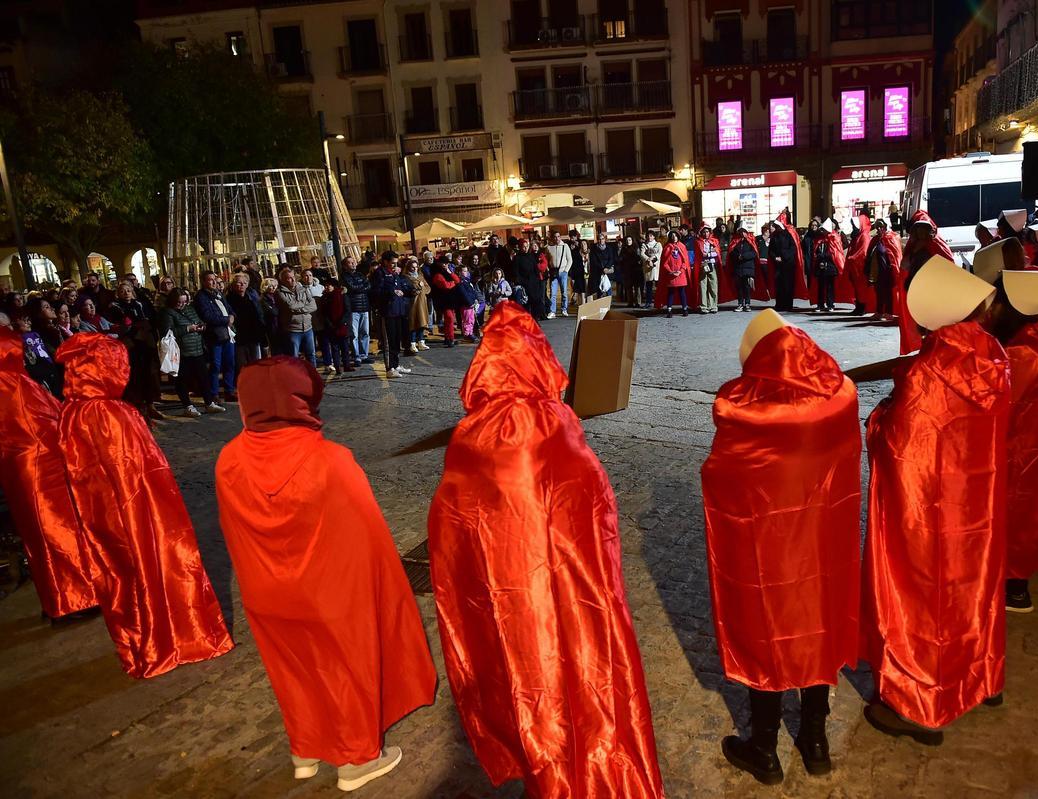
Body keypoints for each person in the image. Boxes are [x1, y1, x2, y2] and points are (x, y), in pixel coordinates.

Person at [428, 303, 664, 798]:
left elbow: (452, 529)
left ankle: (545, 773)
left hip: (514, 601)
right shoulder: (561, 422)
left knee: (528, 682)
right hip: (577, 594)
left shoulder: (471, 439)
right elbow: (599, 512)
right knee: (583, 676)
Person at [214, 357, 435, 790]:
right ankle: (356, 759)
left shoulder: (228, 460)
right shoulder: (331, 460)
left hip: (265, 592)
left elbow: (233, 533)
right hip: (330, 592)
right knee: (344, 665)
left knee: (293, 668)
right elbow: (367, 537)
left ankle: (307, 747)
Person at [704, 310, 860, 783]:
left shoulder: (744, 410)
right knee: (820, 624)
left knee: (762, 629)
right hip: (823, 546)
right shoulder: (839, 399)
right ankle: (815, 740)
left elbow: (720, 472)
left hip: (766, 548)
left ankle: (765, 747)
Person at [861, 257, 1009, 744]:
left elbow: (901, 445)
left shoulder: (927, 373)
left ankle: (917, 703)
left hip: (925, 511)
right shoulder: (993, 357)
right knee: (975, 589)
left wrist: (880, 417)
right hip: (978, 506)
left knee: (924, 599)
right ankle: (981, 676)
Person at [56, 332, 234, 678]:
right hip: (137, 514)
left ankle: (142, 644)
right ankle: (175, 639)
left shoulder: (72, 411)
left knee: (120, 576)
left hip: (103, 519)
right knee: (155, 566)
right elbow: (138, 476)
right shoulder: (111, 414)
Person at [974, 240, 1038, 611]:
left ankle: (1013, 585)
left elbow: (986, 395)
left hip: (1019, 452)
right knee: (1027, 515)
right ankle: (1015, 581)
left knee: (1013, 516)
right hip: (1036, 449)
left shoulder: (1026, 354)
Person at [0, 327, 97, 621]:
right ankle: (73, 599)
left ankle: (57, 597)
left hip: (21, 467)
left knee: (38, 534)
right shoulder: (14, 385)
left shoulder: (13, 384)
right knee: (55, 529)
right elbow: (46, 421)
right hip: (38, 466)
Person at [896, 211, 956, 354]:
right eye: (919, 229)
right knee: (922, 324)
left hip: (934, 291)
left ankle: (935, 349)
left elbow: (948, 263)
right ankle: (927, 348)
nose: (921, 231)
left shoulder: (936, 244)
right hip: (918, 291)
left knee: (934, 324)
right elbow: (904, 265)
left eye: (924, 228)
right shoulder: (913, 246)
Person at [160, 288, 225, 416]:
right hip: (181, 351)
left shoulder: (190, 309)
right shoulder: (167, 313)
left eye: (185, 302)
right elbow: (168, 332)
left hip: (197, 348)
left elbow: (199, 320)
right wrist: (188, 329)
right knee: (182, 380)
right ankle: (187, 405)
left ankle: (209, 403)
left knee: (203, 378)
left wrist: (201, 326)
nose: (182, 305)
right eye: (179, 302)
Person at [107, 280, 163, 417]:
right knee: (135, 376)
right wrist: (136, 326)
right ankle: (139, 406)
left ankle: (150, 404)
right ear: (118, 294)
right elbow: (123, 324)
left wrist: (141, 325)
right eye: (122, 291)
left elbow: (148, 320)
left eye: (128, 291)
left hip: (145, 344)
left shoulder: (139, 304)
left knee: (149, 374)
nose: (126, 293)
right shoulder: (115, 307)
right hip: (131, 346)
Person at [194, 271, 238, 404]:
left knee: (230, 363)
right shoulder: (201, 297)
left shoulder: (219, 294)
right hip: (215, 336)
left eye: (215, 280)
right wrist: (226, 320)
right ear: (203, 281)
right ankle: (213, 393)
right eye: (210, 280)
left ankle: (229, 390)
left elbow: (229, 308)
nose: (213, 282)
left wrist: (232, 316)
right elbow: (207, 316)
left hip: (227, 333)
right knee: (215, 365)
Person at [376, 257, 415, 375]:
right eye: (392, 263)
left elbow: (401, 288)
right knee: (389, 341)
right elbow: (377, 291)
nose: (395, 265)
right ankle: (389, 368)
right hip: (388, 312)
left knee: (396, 340)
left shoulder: (394, 274)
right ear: (385, 262)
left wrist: (408, 290)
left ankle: (396, 364)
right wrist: (392, 292)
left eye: (396, 263)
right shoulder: (380, 274)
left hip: (398, 310)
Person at [276, 266, 318, 365]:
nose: (293, 279)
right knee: (294, 357)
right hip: (293, 330)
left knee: (311, 355)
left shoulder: (303, 289)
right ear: (283, 280)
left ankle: (313, 378)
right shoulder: (280, 293)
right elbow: (290, 306)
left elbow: (313, 306)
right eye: (289, 278)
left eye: (293, 276)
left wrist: (299, 307)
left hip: (308, 327)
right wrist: (304, 305)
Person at [226, 273, 265, 370]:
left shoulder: (252, 298)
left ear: (248, 284)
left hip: (253, 336)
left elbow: (258, 316)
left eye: (244, 282)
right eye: (239, 283)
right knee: (242, 365)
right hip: (239, 337)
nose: (242, 285)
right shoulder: (228, 299)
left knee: (256, 363)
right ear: (233, 284)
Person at [866, 218, 902, 321]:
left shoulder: (891, 238)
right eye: (877, 226)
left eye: (881, 226)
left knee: (888, 292)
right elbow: (869, 253)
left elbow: (895, 254)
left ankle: (889, 312)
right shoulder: (875, 239)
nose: (879, 228)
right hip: (877, 271)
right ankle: (879, 311)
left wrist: (893, 268)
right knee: (878, 291)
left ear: (885, 226)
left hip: (888, 270)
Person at [342, 255, 373, 366]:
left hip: (364, 307)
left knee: (365, 332)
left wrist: (360, 288)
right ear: (345, 266)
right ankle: (356, 356)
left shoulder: (360, 275)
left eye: (354, 262)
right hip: (353, 308)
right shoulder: (344, 277)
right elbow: (352, 287)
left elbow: (368, 286)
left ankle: (364, 355)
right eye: (350, 262)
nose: (353, 264)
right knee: (354, 334)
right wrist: (361, 288)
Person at [318, 277, 353, 375]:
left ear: (334, 286)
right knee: (335, 348)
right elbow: (324, 313)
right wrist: (330, 324)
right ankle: (338, 367)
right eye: (325, 286)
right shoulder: (325, 297)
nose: (327, 287)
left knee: (345, 347)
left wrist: (342, 322)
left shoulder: (342, 295)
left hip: (342, 326)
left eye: (329, 285)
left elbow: (347, 310)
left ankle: (346, 365)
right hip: (331, 327)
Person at [767, 218, 802, 313]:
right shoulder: (774, 237)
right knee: (779, 285)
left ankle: (788, 305)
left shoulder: (789, 235)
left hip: (789, 265)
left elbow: (793, 249)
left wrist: (784, 257)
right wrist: (775, 258)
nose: (776, 228)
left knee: (788, 285)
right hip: (778, 265)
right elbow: (771, 250)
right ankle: (779, 304)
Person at [844, 213, 875, 316]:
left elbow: (863, 252)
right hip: (855, 267)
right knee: (857, 289)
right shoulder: (857, 236)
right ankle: (858, 307)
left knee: (861, 288)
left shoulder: (864, 236)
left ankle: (862, 307)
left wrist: (852, 258)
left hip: (861, 268)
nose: (853, 227)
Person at [811, 219, 845, 313]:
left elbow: (835, 253)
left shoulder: (834, 238)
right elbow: (816, 250)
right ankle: (820, 304)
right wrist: (818, 257)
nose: (823, 231)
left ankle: (830, 304)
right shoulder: (820, 240)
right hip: (820, 266)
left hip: (830, 266)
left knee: (830, 287)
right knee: (820, 287)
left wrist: (822, 256)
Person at [656, 230, 691, 317]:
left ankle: (685, 309)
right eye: (672, 236)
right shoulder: (667, 247)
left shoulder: (682, 246)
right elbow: (665, 263)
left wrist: (680, 271)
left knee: (682, 292)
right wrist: (671, 271)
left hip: (681, 274)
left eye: (676, 236)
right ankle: (669, 310)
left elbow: (685, 261)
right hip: (671, 275)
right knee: (670, 292)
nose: (674, 237)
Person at [727, 221, 760, 313]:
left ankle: (748, 304)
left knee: (747, 287)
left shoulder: (751, 241)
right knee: (739, 287)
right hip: (738, 268)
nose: (742, 233)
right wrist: (737, 256)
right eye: (740, 231)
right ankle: (740, 303)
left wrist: (744, 256)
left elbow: (754, 253)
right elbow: (731, 252)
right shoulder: (735, 241)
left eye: (744, 231)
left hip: (748, 268)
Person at [430, 257, 462, 348]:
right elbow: (445, 286)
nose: (445, 265)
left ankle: (448, 338)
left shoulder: (447, 272)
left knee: (449, 320)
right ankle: (450, 338)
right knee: (449, 319)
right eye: (443, 263)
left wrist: (450, 272)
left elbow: (457, 280)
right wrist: (452, 283)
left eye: (446, 263)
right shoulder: (437, 274)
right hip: (443, 300)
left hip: (450, 299)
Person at [693, 225, 723, 314]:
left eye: (707, 232)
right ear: (701, 233)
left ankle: (713, 305)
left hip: (712, 265)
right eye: (704, 232)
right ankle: (704, 306)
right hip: (703, 266)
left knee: (713, 285)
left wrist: (709, 254)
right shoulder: (698, 242)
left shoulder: (714, 241)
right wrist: (710, 252)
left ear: (710, 232)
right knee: (703, 286)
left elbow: (717, 253)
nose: (706, 234)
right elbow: (700, 254)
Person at [510, 238, 541, 320]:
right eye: (524, 247)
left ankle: (535, 319)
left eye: (527, 246)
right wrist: (521, 281)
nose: (526, 248)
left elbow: (536, 269)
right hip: (525, 283)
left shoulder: (531, 256)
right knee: (526, 302)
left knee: (535, 301)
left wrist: (537, 279)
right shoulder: (517, 258)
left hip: (533, 282)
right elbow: (516, 272)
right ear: (520, 247)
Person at [405, 258, 432, 352]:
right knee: (413, 323)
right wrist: (419, 286)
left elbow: (428, 289)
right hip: (413, 303)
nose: (415, 269)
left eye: (416, 267)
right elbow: (408, 289)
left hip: (422, 302)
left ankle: (421, 341)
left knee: (422, 322)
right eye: (413, 267)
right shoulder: (406, 277)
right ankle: (412, 343)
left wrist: (422, 287)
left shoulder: (421, 276)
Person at [544, 231, 571, 318]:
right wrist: (548, 269)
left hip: (563, 272)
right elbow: (546, 260)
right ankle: (552, 311)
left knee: (564, 292)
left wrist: (566, 271)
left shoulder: (565, 246)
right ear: (552, 238)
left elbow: (570, 260)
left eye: (558, 236)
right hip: (553, 272)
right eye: (555, 237)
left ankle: (564, 309)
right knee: (553, 292)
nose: (557, 238)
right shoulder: (548, 248)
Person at [801, 217, 822, 307]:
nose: (814, 227)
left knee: (819, 282)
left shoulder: (820, 236)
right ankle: (813, 298)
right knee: (810, 281)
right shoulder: (807, 237)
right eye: (812, 225)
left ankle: (820, 301)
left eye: (815, 225)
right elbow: (802, 248)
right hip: (809, 261)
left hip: (818, 261)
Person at [259, 277, 283, 355]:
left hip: (280, 324)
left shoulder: (276, 296)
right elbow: (273, 312)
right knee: (275, 346)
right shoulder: (263, 299)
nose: (274, 288)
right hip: (271, 325)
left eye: (275, 286)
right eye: (271, 286)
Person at [639, 230, 662, 309]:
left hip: (656, 267)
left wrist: (653, 258)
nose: (650, 237)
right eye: (648, 236)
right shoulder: (644, 245)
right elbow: (642, 254)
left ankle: (659, 302)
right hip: (648, 267)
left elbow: (660, 253)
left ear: (654, 236)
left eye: (651, 236)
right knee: (648, 286)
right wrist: (648, 259)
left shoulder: (658, 244)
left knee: (658, 286)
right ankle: (648, 302)